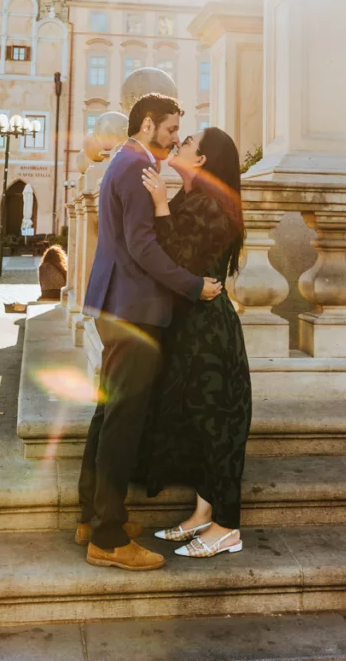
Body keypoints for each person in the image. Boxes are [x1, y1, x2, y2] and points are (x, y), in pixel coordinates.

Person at [77, 94, 223, 572]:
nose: (175, 137)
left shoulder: (125, 159)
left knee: (109, 413)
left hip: (116, 304)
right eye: (170, 128)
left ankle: (94, 515)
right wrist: (192, 285)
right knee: (123, 419)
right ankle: (108, 537)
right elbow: (142, 245)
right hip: (134, 310)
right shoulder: (139, 168)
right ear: (147, 124)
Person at [139, 126, 251, 559]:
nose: (177, 145)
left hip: (210, 333)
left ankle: (227, 527)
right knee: (195, 425)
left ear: (201, 160)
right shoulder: (190, 198)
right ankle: (202, 514)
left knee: (215, 428)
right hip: (189, 327)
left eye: (186, 143)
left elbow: (178, 262)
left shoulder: (212, 205)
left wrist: (161, 207)